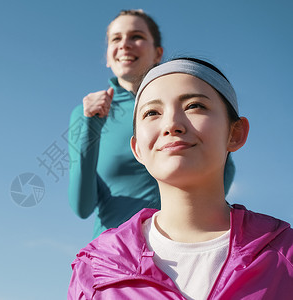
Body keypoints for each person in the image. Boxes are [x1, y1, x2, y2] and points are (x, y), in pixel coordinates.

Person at [68, 58, 293, 299]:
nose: (172, 124)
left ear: (235, 133)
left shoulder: (285, 255)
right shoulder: (95, 271)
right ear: (138, 149)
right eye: (152, 112)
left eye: (194, 106)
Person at [68, 10, 236, 239]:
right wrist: (90, 125)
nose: (125, 44)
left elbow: (223, 173)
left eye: (136, 36)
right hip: (116, 256)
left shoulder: (189, 106)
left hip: (186, 249)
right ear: (107, 57)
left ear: (158, 53)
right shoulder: (87, 113)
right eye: (116, 39)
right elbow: (82, 206)